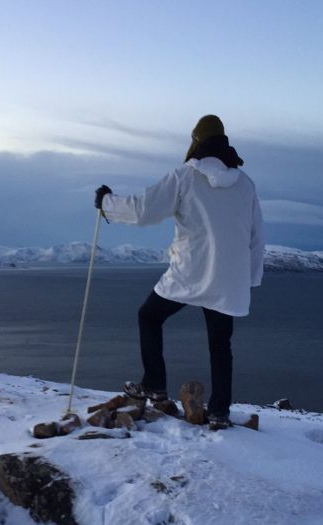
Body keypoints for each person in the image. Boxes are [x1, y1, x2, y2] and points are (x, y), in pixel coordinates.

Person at [94, 115, 265, 430]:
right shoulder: (245, 184)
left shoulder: (184, 177)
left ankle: (155, 384)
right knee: (220, 345)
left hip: (190, 271)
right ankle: (219, 413)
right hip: (228, 279)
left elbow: (145, 210)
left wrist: (107, 202)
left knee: (149, 316)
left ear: (197, 141)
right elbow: (256, 236)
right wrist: (250, 281)